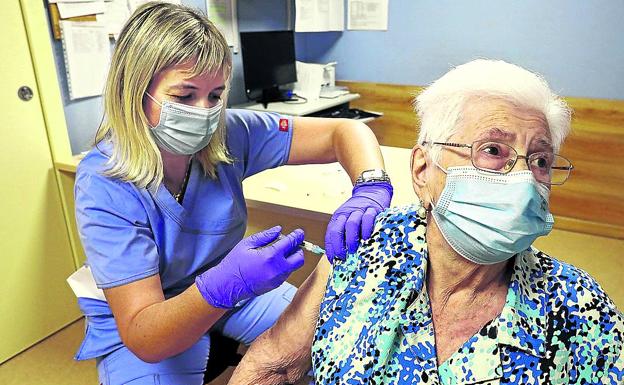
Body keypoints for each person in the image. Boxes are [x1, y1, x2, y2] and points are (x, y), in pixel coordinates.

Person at [227, 59, 624, 385]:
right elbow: (274, 366)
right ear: (421, 170)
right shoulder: (365, 245)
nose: (522, 179)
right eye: (492, 150)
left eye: (539, 160)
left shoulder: (577, 307)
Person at [72, 3, 392, 384]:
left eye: (216, 94)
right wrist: (225, 285)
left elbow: (345, 132)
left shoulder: (230, 132)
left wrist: (371, 185)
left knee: (336, 343)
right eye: (184, 96)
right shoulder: (104, 182)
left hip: (233, 288)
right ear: (135, 91)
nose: (204, 112)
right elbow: (146, 337)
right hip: (150, 322)